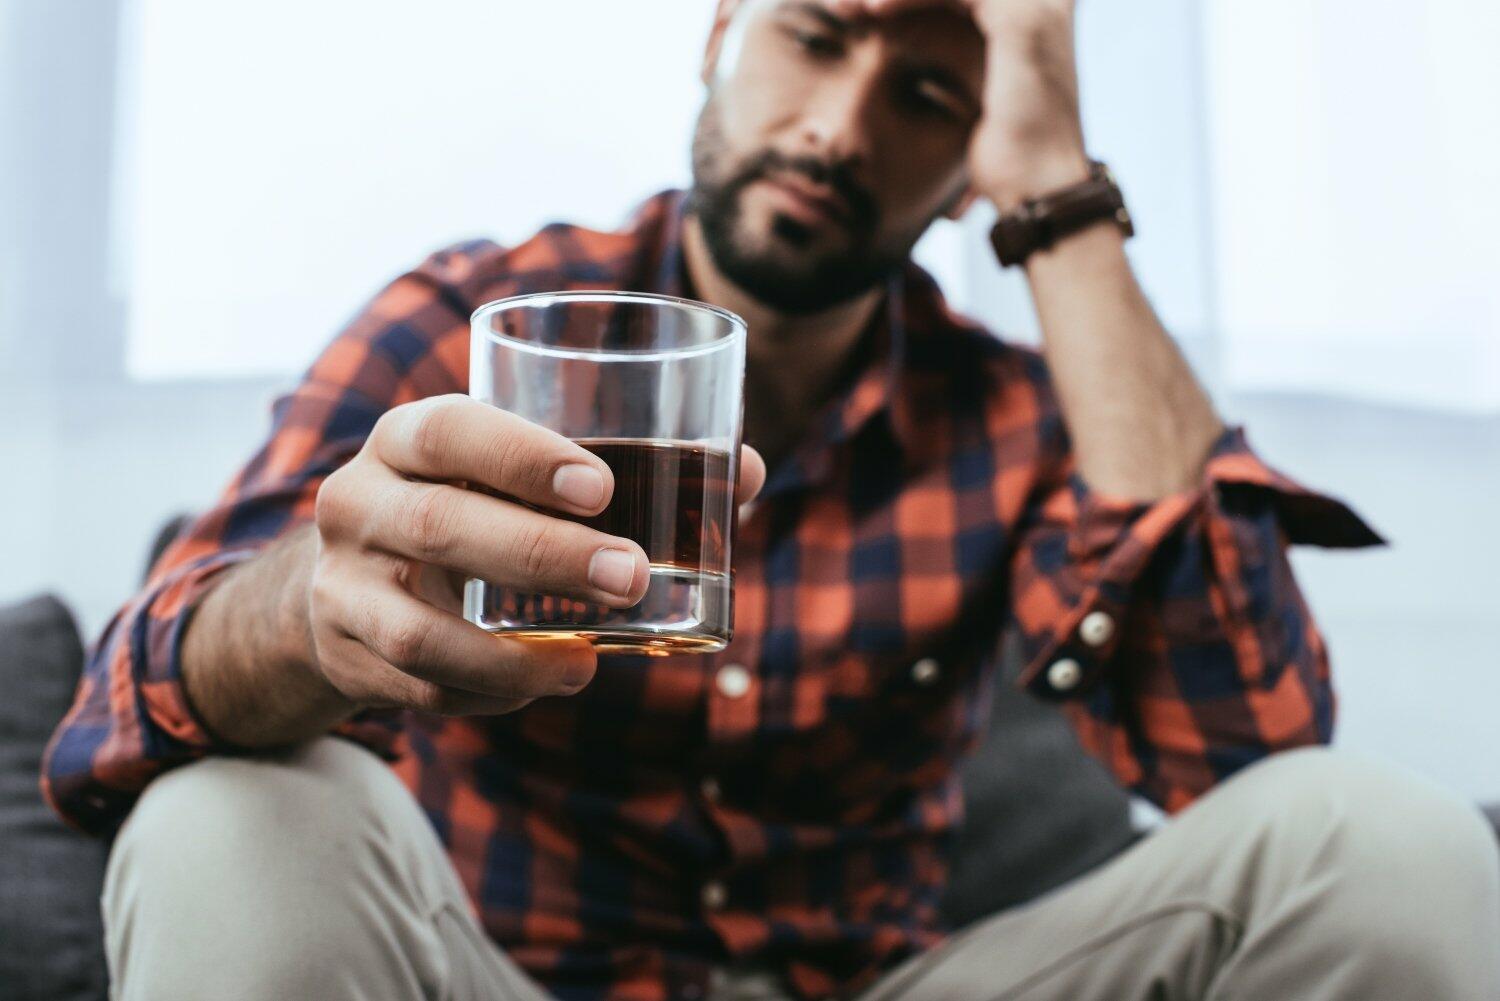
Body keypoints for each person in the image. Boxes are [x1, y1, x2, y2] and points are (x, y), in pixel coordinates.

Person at [43, 0, 1500, 998]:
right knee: (230, 808)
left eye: (927, 96)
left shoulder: (1019, 410)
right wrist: (306, 616)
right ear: (719, 34)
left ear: (966, 177)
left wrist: (1056, 186)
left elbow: (1254, 754)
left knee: (1391, 842)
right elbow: (118, 713)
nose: (840, 127)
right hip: (500, 975)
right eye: (813, 38)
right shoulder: (475, 327)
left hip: (887, 981)